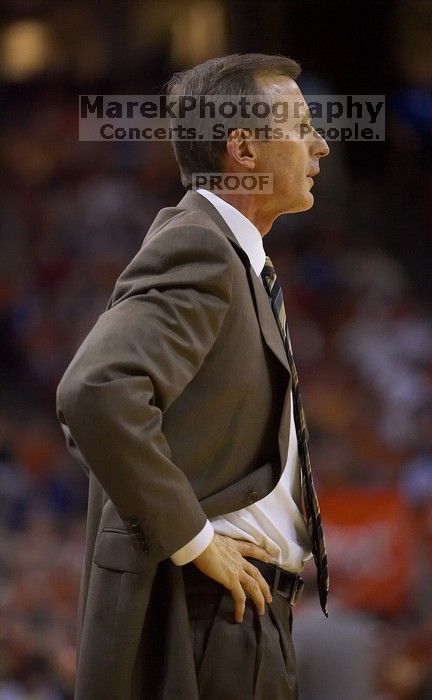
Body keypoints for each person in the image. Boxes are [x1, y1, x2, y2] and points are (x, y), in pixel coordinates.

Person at [56, 53, 330, 700]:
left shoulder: (230, 255)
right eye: (300, 128)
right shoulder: (202, 246)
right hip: (207, 610)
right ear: (243, 148)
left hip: (238, 608)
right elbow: (95, 391)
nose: (318, 145)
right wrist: (192, 537)